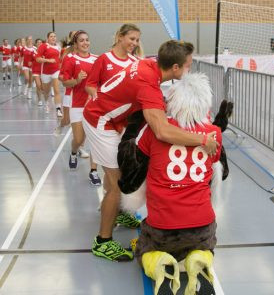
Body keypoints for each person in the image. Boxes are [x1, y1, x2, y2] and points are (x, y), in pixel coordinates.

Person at [83, 40, 219, 262]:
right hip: (101, 122)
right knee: (117, 184)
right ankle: (103, 241)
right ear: (175, 68)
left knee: (123, 174)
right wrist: (201, 138)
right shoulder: (149, 86)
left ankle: (121, 213)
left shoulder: (148, 64)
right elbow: (162, 132)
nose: (189, 70)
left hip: (109, 116)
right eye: (187, 65)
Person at [132, 72, 222, 295]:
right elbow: (213, 168)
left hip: (163, 224)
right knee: (205, 245)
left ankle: (160, 265)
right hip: (202, 223)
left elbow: (138, 163)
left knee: (144, 249)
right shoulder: (214, 134)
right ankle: (199, 260)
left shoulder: (155, 129)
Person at [59, 31, 101, 185]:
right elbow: (65, 82)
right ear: (76, 44)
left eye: (87, 40)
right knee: (79, 139)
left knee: (95, 140)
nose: (85, 43)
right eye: (82, 41)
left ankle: (93, 171)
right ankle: (73, 152)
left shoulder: (97, 59)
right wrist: (77, 80)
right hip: (76, 104)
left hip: (94, 105)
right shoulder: (70, 59)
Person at [85, 23, 141, 100]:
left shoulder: (136, 62)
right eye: (132, 39)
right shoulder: (104, 59)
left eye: (137, 40)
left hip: (128, 110)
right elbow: (90, 85)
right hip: (107, 110)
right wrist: (97, 98)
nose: (135, 43)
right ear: (120, 37)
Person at [55, 31, 78, 135]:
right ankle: (61, 125)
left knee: (81, 122)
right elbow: (61, 74)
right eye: (74, 35)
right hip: (70, 90)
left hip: (83, 91)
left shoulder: (86, 52)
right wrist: (69, 79)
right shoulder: (66, 52)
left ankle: (79, 147)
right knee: (67, 120)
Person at [36, 31, 62, 116]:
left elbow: (60, 59)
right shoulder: (43, 46)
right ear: (48, 38)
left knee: (56, 90)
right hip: (46, 72)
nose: (53, 38)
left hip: (56, 71)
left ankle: (58, 109)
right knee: (46, 92)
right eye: (51, 36)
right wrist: (48, 60)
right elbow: (38, 59)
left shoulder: (58, 47)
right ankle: (46, 102)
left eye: (54, 36)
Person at [31, 38, 44, 106]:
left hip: (43, 71)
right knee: (38, 85)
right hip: (35, 70)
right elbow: (30, 60)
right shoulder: (33, 51)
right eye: (38, 42)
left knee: (42, 87)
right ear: (36, 44)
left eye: (40, 42)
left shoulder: (45, 51)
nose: (39, 43)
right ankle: (39, 100)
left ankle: (42, 94)